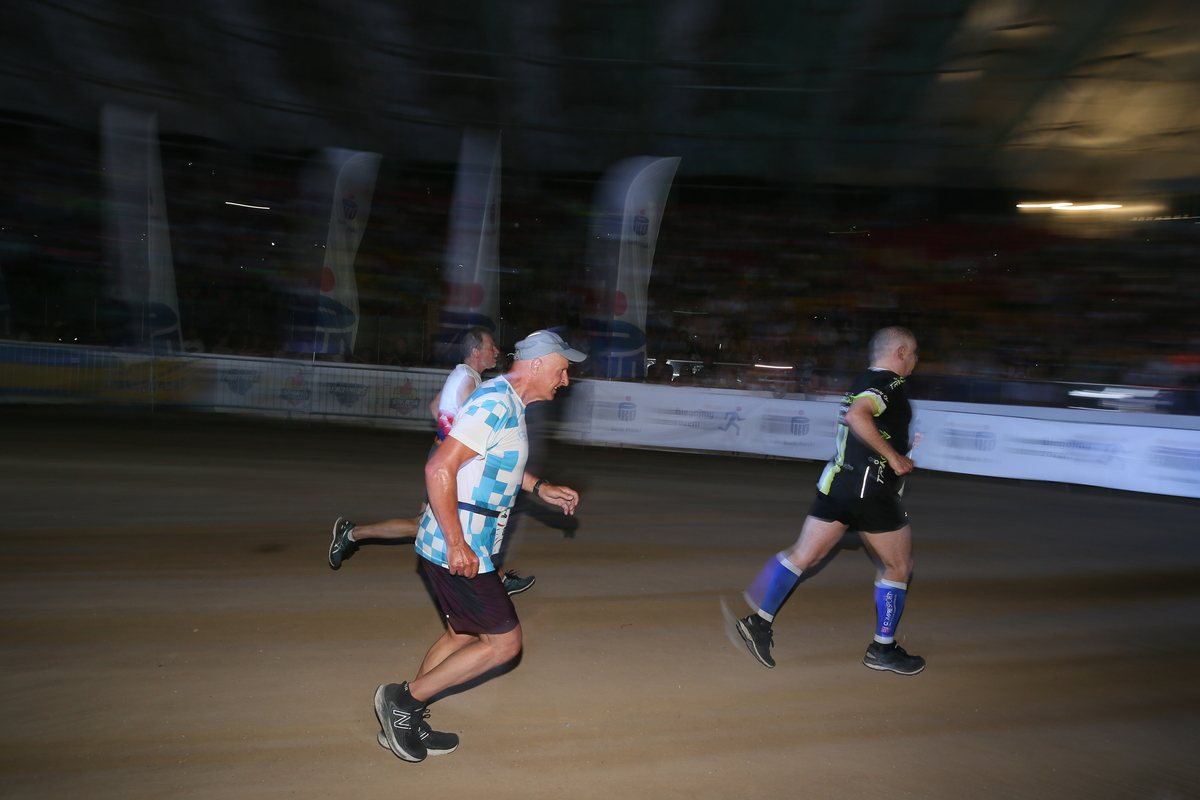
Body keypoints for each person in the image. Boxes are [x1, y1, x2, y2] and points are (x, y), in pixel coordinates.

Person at [375, 329, 585, 762]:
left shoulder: (508, 402)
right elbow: (439, 468)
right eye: (563, 370)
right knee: (505, 643)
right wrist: (457, 543)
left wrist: (540, 487)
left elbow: (492, 459)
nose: (566, 381)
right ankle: (403, 703)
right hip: (460, 545)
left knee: (462, 633)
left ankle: (406, 718)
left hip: (466, 543)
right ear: (539, 363)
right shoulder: (495, 402)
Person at [734, 326, 925, 676]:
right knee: (899, 566)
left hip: (839, 483)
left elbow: (861, 422)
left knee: (804, 555)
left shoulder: (863, 379)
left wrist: (899, 448)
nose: (915, 361)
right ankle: (882, 649)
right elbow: (857, 417)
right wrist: (895, 458)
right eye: (913, 354)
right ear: (900, 352)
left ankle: (758, 621)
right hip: (871, 489)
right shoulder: (891, 383)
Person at [327, 328, 536, 595]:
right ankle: (498, 580)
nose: (496, 351)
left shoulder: (462, 375)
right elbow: (470, 424)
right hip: (450, 464)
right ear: (476, 352)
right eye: (490, 346)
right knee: (464, 520)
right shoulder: (469, 381)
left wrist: (445, 437)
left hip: (442, 455)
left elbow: (435, 407)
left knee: (423, 525)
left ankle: (351, 534)